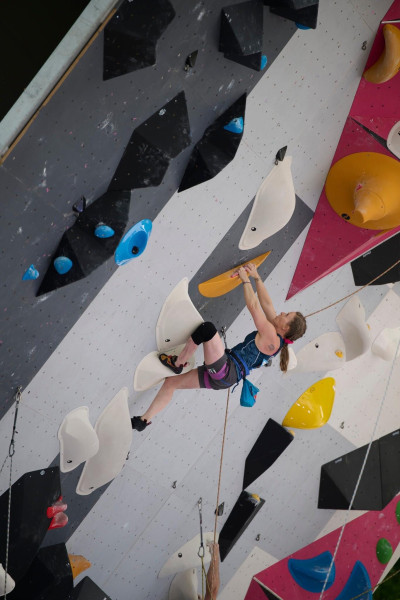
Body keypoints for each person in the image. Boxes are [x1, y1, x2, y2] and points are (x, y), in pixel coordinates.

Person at [131, 263, 306, 431]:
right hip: (224, 376)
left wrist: (245, 279)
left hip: (226, 370)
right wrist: (257, 276)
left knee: (208, 330)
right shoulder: (275, 335)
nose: (282, 313)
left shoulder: (272, 337)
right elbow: (267, 305)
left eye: (287, 315)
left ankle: (177, 363)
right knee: (170, 383)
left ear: (286, 328)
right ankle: (143, 420)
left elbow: (254, 306)